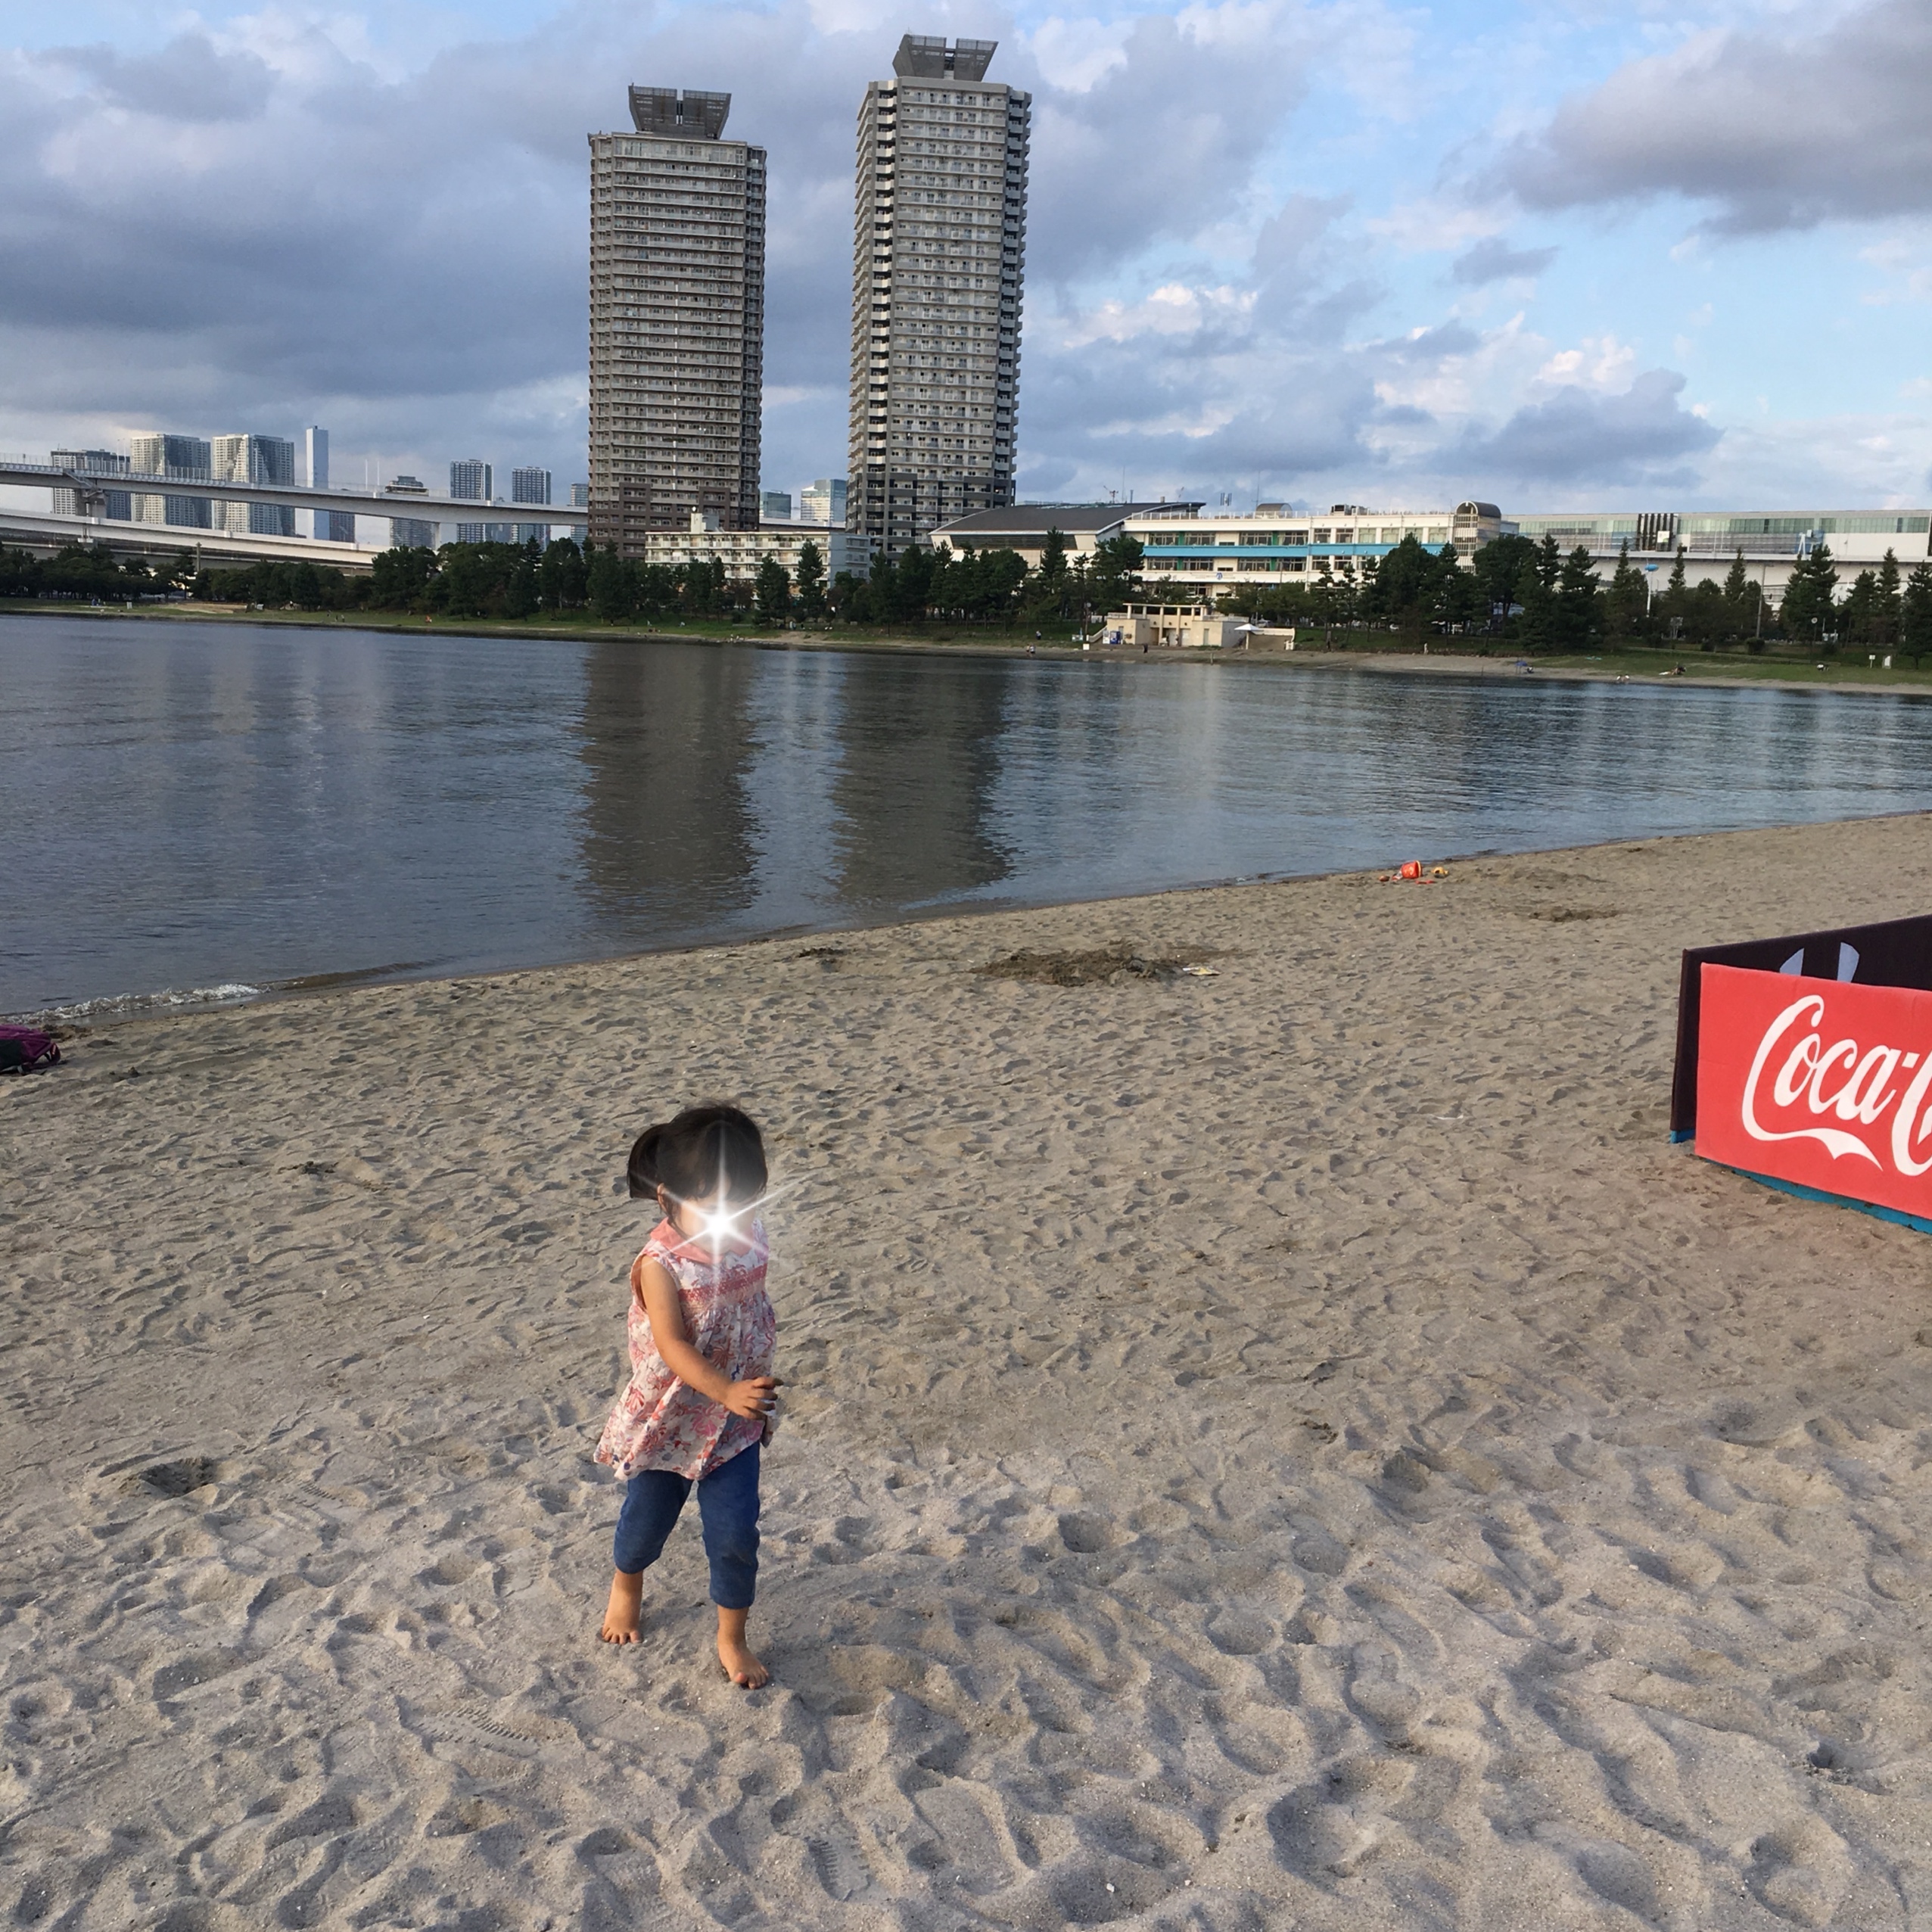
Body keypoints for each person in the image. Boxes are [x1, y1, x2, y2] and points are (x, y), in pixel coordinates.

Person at [596, 1103, 780, 1688]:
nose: (730, 1218)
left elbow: (748, 1309)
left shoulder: (751, 1238)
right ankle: (627, 1582)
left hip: (733, 1423)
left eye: (741, 1202)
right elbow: (673, 1345)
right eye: (712, 1205)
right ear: (665, 1198)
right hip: (671, 1417)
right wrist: (724, 1386)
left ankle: (732, 1636)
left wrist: (745, 1384)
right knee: (646, 1521)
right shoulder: (660, 1264)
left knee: (735, 1534)